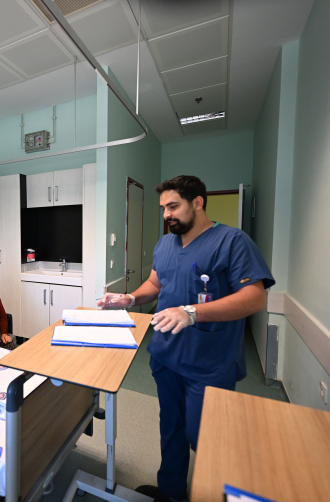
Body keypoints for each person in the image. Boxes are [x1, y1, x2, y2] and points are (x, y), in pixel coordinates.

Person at [97, 176, 274, 502]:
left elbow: (254, 298)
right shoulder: (165, 244)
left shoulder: (232, 241)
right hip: (166, 356)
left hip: (208, 362)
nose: (167, 214)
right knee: (171, 427)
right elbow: (155, 284)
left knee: (204, 438)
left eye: (173, 206)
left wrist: (192, 312)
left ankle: (212, 495)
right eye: (164, 208)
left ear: (198, 202)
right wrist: (130, 298)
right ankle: (171, 492)